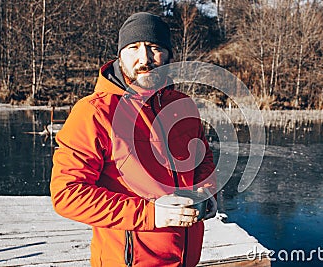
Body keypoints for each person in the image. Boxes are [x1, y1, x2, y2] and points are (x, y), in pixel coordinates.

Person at [50, 12, 217, 267]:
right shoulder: (94, 112)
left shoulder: (183, 106)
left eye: (155, 48)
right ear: (120, 55)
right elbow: (67, 194)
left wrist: (208, 192)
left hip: (186, 259)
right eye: (133, 48)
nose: (145, 58)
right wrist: (152, 214)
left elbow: (203, 158)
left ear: (169, 55)